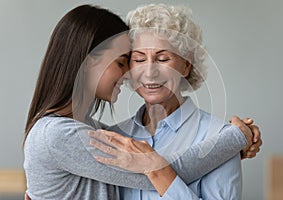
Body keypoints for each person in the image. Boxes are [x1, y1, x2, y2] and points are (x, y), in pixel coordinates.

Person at [23, 4, 261, 200]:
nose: (149, 72)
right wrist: (237, 138)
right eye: (133, 60)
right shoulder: (104, 136)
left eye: (163, 58)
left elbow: (160, 171)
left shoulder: (215, 135)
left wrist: (230, 143)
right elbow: (157, 173)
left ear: (187, 65)